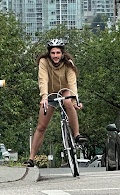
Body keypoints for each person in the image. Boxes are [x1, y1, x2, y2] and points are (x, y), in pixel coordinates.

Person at [24, 39, 87, 167]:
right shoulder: (44, 62)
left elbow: (72, 83)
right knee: (41, 126)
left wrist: (75, 101)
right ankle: (31, 158)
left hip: (64, 91)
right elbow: (43, 80)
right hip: (50, 93)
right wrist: (44, 98)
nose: (55, 56)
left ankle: (76, 135)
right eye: (53, 53)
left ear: (62, 54)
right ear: (49, 54)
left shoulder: (68, 63)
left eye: (58, 53)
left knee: (68, 103)